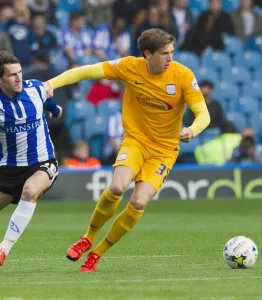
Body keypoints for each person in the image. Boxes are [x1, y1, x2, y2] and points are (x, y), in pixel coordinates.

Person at [46, 28, 210, 273]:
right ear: (147, 54)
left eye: (172, 52)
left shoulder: (183, 75)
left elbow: (203, 114)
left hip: (164, 151)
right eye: (165, 53)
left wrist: (191, 130)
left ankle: (97, 254)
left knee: (138, 203)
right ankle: (87, 238)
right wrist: (51, 84)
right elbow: (85, 71)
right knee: (116, 187)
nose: (170, 58)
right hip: (135, 141)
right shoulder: (129, 66)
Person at [0, 51, 62, 266]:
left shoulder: (35, 88)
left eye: (19, 72)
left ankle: (3, 248)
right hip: (8, 170)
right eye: (12, 75)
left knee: (30, 191)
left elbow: (50, 100)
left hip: (42, 163)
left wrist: (55, 110)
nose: (19, 78)